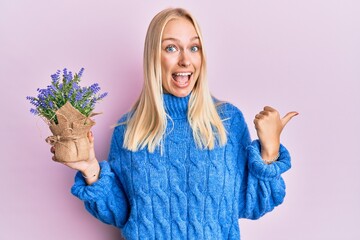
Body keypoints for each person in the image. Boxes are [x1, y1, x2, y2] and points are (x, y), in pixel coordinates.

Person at [51, 7, 298, 240]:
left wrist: (269, 151)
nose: (185, 60)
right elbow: (121, 213)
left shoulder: (227, 122)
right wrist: (90, 169)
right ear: (153, 57)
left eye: (194, 48)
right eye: (171, 48)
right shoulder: (129, 129)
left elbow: (252, 205)